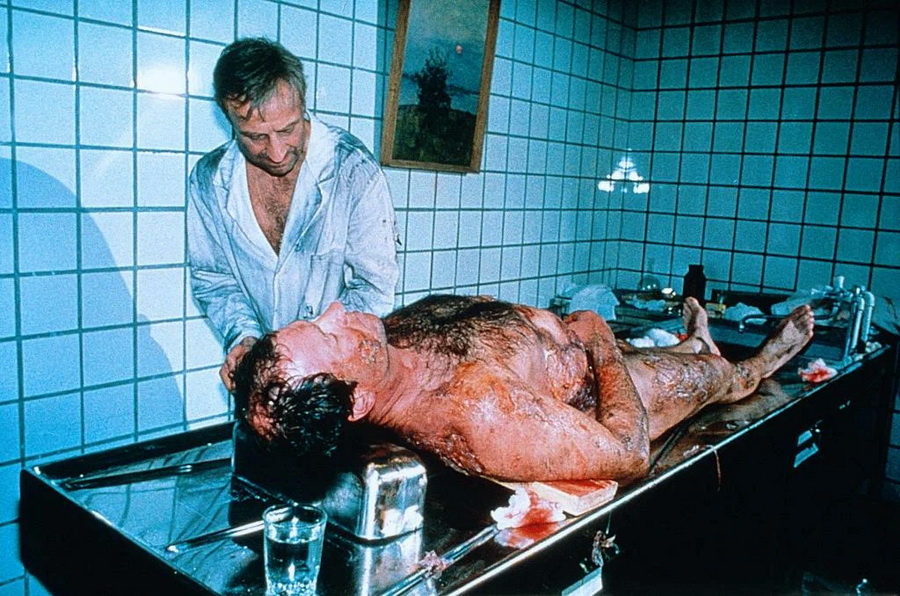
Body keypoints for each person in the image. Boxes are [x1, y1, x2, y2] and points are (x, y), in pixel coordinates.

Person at [233, 294, 814, 482]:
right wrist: (600, 342)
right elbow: (628, 452)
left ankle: (692, 342)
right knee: (723, 379)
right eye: (329, 334)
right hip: (607, 396)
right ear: (358, 400)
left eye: (314, 319)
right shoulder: (475, 412)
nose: (336, 308)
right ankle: (761, 359)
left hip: (570, 352)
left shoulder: (387, 345)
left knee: (669, 354)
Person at [188, 38, 399, 391]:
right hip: (262, 381)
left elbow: (373, 287)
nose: (276, 152)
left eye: (287, 129)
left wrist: (306, 353)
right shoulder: (209, 180)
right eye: (255, 137)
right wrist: (244, 341)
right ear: (228, 119)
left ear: (303, 104)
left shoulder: (353, 170)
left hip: (336, 379)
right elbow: (214, 279)